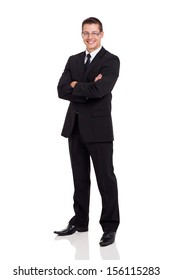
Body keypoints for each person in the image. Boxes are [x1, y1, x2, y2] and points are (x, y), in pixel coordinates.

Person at [54, 17, 120, 246]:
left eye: (94, 33)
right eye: (85, 33)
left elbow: (101, 89)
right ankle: (80, 221)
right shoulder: (73, 60)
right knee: (79, 179)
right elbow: (61, 90)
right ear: (82, 35)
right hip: (75, 127)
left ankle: (110, 227)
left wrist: (76, 85)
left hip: (99, 130)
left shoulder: (111, 61)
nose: (89, 37)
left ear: (102, 34)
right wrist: (86, 86)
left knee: (106, 179)